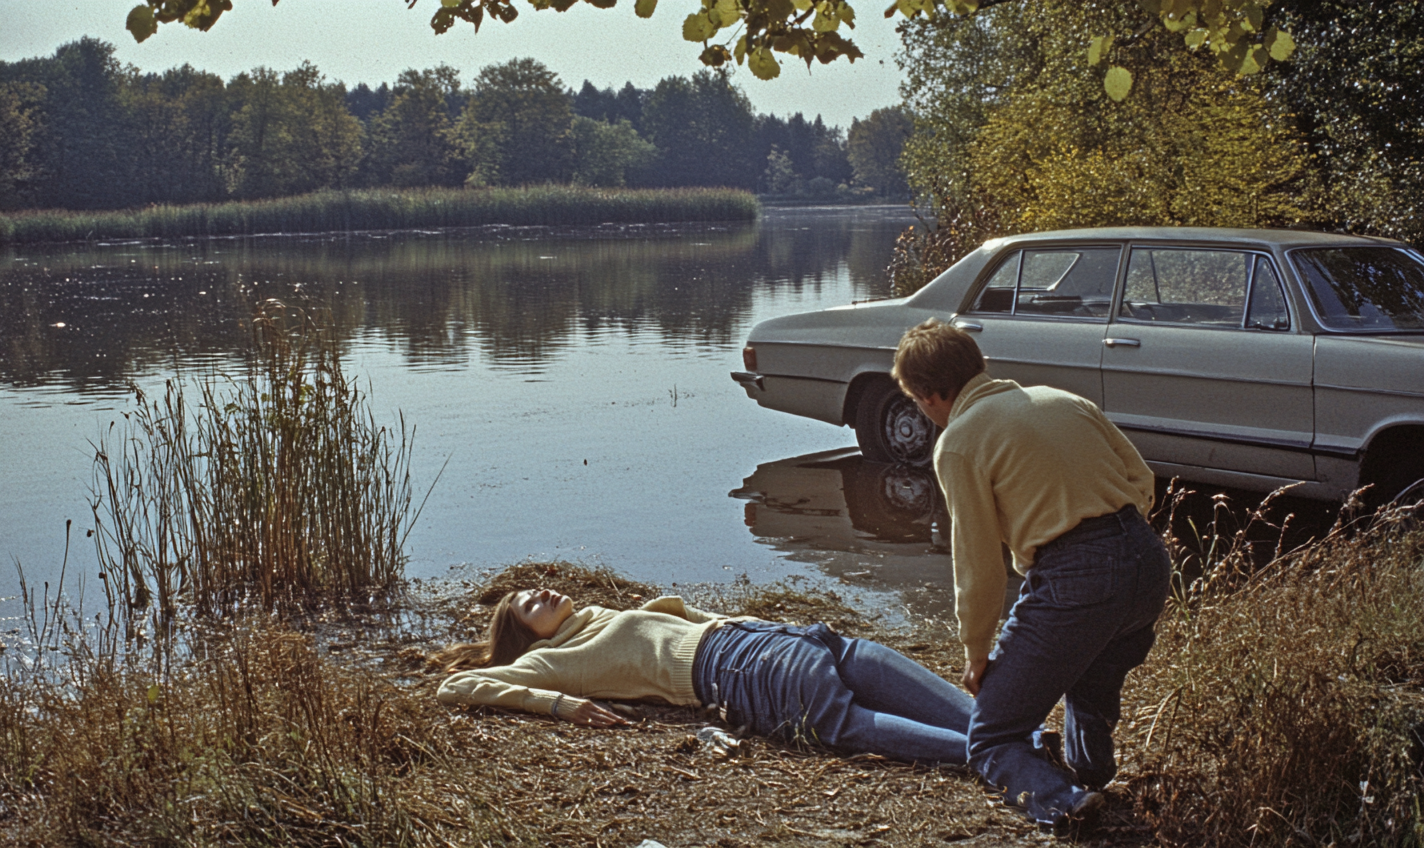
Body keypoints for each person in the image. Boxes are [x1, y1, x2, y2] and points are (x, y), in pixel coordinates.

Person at [891, 318, 1171, 830]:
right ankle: (1091, 780)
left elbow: (977, 565)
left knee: (992, 737)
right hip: (1149, 561)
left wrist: (977, 653)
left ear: (930, 397)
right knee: (1088, 683)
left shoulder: (958, 441)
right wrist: (1120, 542)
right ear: (979, 367)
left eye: (916, 401)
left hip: (1078, 574)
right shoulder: (1062, 399)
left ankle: (1063, 803)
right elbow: (1141, 479)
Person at [435, 588, 977, 766]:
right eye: (529, 604)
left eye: (536, 587)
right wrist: (558, 705)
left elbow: (695, 618)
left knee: (867, 664)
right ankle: (998, 750)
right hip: (733, 671)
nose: (542, 592)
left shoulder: (599, 616)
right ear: (526, 635)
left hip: (767, 641)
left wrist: (783, 629)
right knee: (843, 722)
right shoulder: (555, 661)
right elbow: (453, 687)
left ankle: (1007, 734)